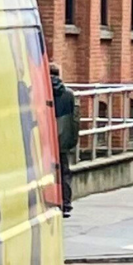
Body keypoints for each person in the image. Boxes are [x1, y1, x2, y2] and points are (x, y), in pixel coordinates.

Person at [52, 64, 78, 217]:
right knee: (64, 171)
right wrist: (72, 140)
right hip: (63, 139)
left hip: (45, 139)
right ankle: (66, 202)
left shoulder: (41, 92)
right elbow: (75, 119)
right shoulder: (69, 94)